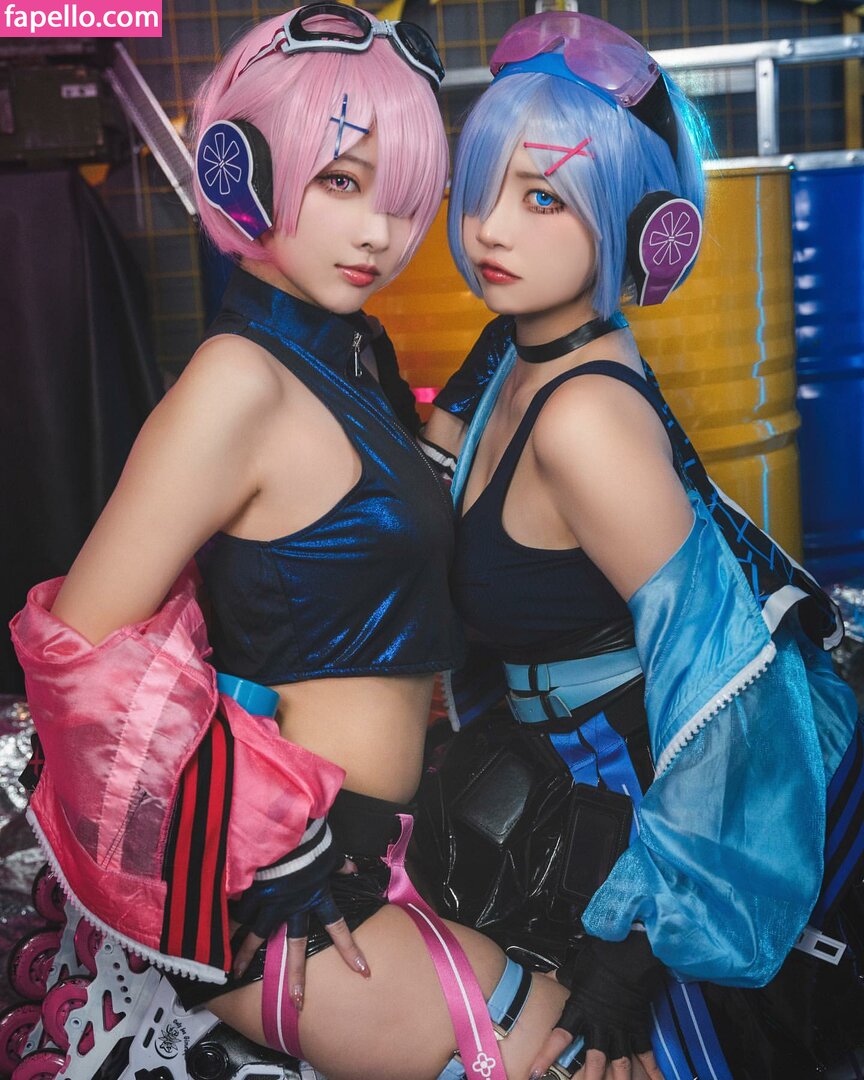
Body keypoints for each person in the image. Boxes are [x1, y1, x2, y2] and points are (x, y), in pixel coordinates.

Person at [8, 6, 587, 1080]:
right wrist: (249, 856)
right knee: (577, 1050)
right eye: (341, 183)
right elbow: (75, 655)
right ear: (239, 173)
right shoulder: (237, 382)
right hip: (283, 904)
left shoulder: (350, 355)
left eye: (401, 199)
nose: (378, 234)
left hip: (381, 853)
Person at [415, 11, 864, 1080]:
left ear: (636, 223)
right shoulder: (515, 357)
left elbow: (729, 702)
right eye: (483, 186)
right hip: (578, 807)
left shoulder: (584, 419)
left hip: (677, 842)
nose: (490, 228)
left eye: (543, 198)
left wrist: (636, 953)